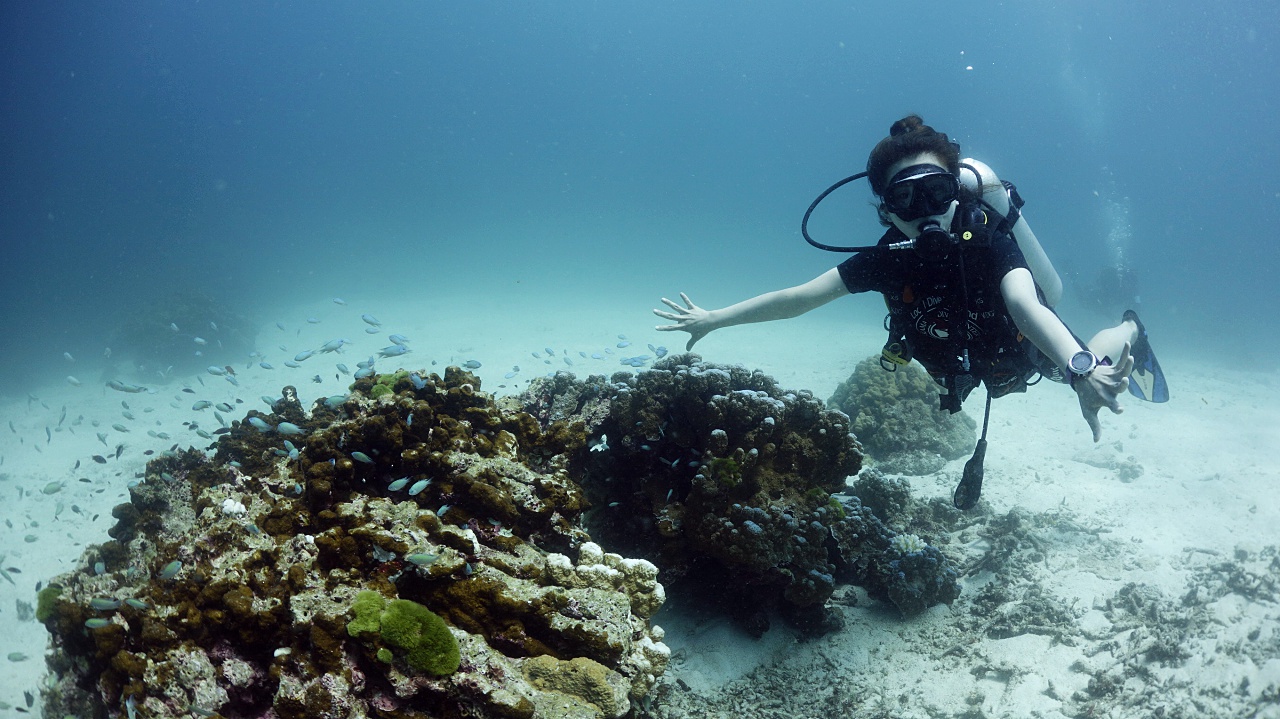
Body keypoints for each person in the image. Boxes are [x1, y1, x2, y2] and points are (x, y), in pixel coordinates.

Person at [653, 115, 1167, 510]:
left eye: (937, 192)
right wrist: (714, 319)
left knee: (1095, 353)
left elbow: (1025, 304)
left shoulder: (988, 238)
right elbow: (799, 298)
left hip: (1026, 350)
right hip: (966, 368)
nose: (926, 211)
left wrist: (1080, 371)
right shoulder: (886, 262)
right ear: (885, 209)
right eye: (906, 197)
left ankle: (1131, 329)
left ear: (957, 193)